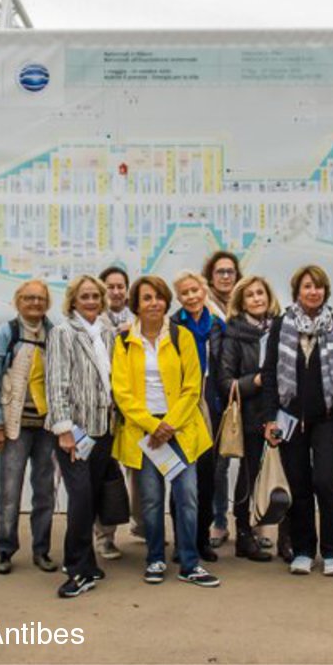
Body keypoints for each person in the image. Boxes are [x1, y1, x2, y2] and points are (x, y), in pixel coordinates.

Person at [111, 275, 220, 587]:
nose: (154, 303)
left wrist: (169, 423)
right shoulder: (124, 341)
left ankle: (190, 563)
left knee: (188, 497)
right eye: (146, 298)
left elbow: (192, 387)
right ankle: (155, 558)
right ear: (136, 304)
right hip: (145, 432)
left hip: (179, 428)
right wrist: (153, 425)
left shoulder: (181, 336)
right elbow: (122, 393)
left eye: (159, 297)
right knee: (151, 500)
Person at [261, 265, 333, 576]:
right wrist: (269, 418)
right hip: (289, 418)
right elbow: (270, 374)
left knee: (324, 481)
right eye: (307, 286)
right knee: (299, 485)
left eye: (318, 286)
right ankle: (304, 550)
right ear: (297, 291)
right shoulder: (281, 325)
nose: (313, 292)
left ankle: (332, 552)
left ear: (325, 291)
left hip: (326, 419)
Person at [0, 279, 58, 576]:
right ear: (17, 301)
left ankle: (42, 550)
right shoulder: (6, 334)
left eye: (40, 298)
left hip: (47, 426)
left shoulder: (54, 334)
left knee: (45, 492)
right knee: (10, 492)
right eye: (29, 298)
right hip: (15, 427)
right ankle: (5, 550)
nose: (35, 303)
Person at [45, 275, 118, 598]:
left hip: (103, 429)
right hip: (74, 432)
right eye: (84, 296)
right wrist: (64, 430)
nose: (90, 301)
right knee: (80, 499)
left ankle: (87, 561)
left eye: (95, 296)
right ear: (73, 301)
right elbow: (56, 382)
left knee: (92, 499)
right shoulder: (63, 333)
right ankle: (77, 570)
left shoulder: (107, 333)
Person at [217, 274, 281, 562]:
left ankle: (287, 538)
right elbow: (225, 382)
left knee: (287, 474)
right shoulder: (233, 334)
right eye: (250, 295)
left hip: (283, 415)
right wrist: (255, 381)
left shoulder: (282, 327)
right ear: (241, 303)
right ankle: (243, 534)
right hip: (252, 416)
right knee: (249, 474)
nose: (257, 298)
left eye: (260, 293)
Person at [170, 270, 224, 563]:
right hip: (183, 404)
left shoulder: (217, 324)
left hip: (211, 404)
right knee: (181, 479)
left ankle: (202, 540)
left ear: (204, 291)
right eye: (185, 292)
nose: (191, 296)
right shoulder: (173, 325)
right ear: (178, 298)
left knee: (207, 478)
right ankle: (182, 542)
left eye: (195, 290)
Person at [94, 265, 135, 560]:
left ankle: (144, 526)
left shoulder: (141, 318)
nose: (116, 291)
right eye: (110, 286)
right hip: (106, 408)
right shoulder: (93, 322)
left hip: (135, 408)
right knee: (107, 475)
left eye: (121, 286)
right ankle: (105, 537)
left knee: (142, 472)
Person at [201, 250, 242, 547]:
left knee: (253, 463)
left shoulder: (247, 303)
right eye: (220, 272)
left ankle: (255, 524)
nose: (226, 276)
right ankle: (219, 521)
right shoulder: (202, 307)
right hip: (214, 392)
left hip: (247, 389)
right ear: (210, 277)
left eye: (230, 271)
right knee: (218, 463)